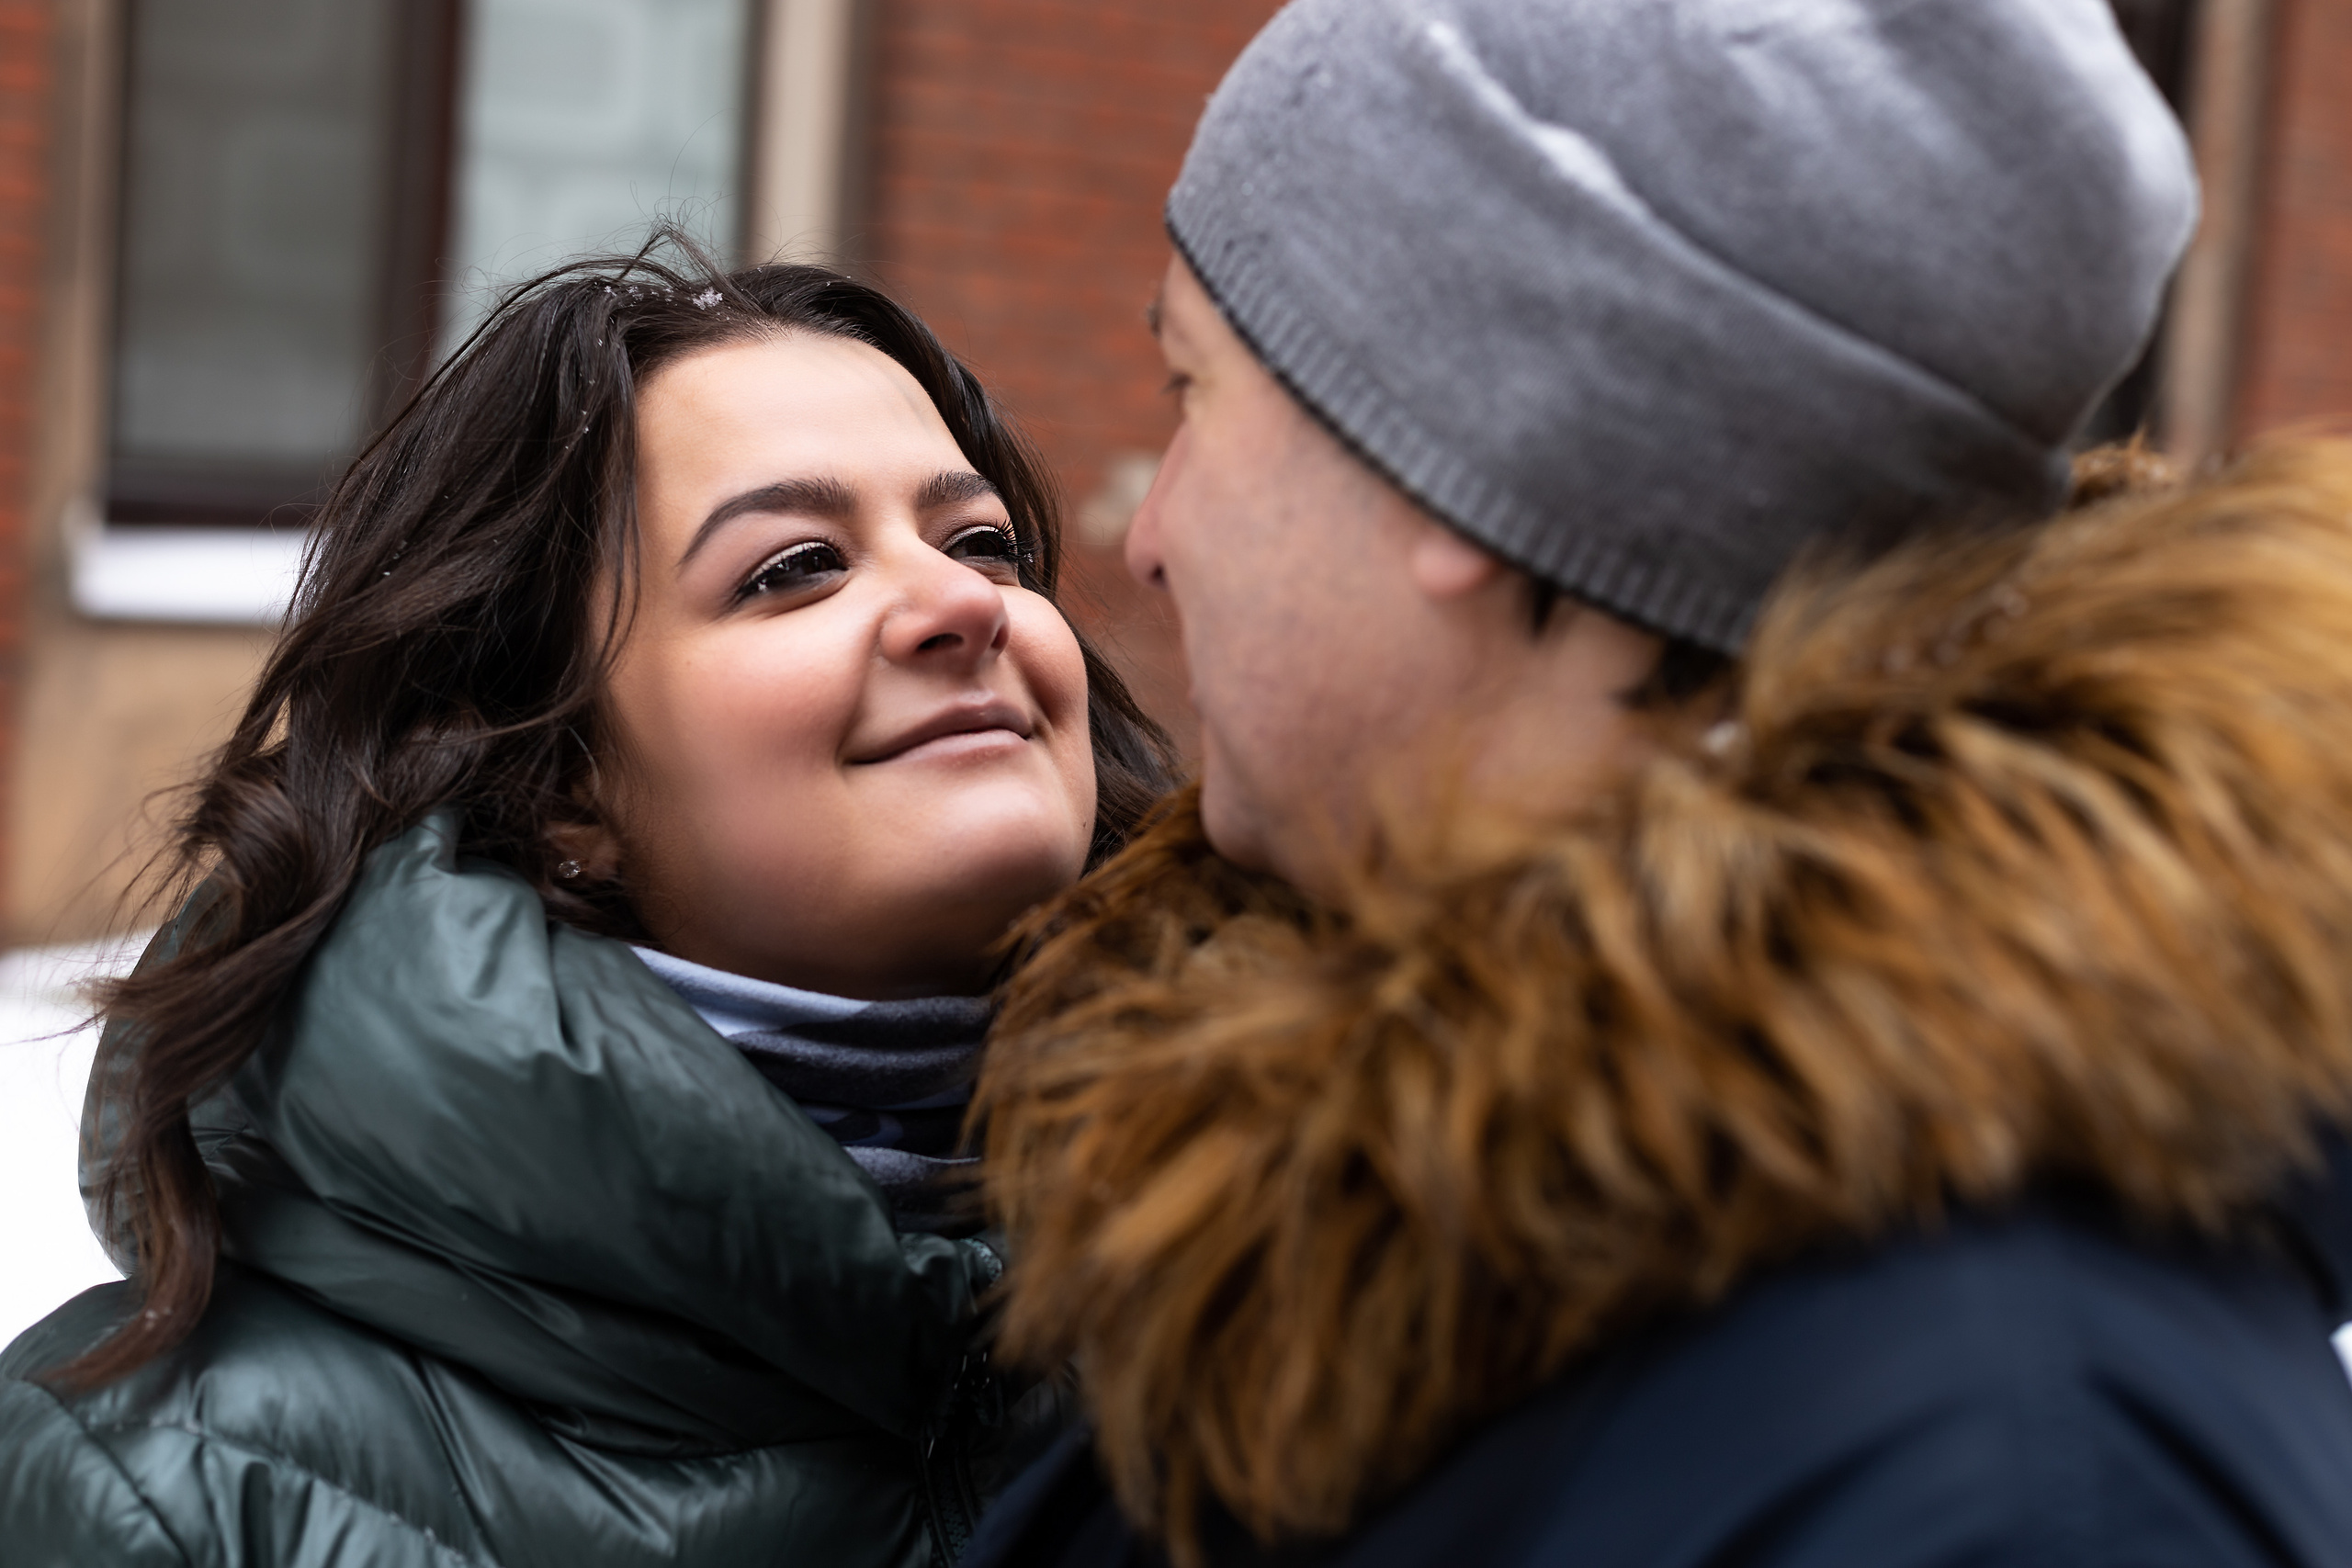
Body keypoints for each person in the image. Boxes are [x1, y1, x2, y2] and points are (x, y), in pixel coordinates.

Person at [962, 1, 2352, 1564]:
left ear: (1461, 448)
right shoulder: (1423, 1199)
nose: (1153, 533)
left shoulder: (2018, 1477)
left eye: (1193, 393)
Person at [0, 243, 1172, 1565]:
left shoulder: (1344, 1301)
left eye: (986, 543)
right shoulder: (157, 1489)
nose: (963, 602)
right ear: (561, 787)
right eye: (794, 567)